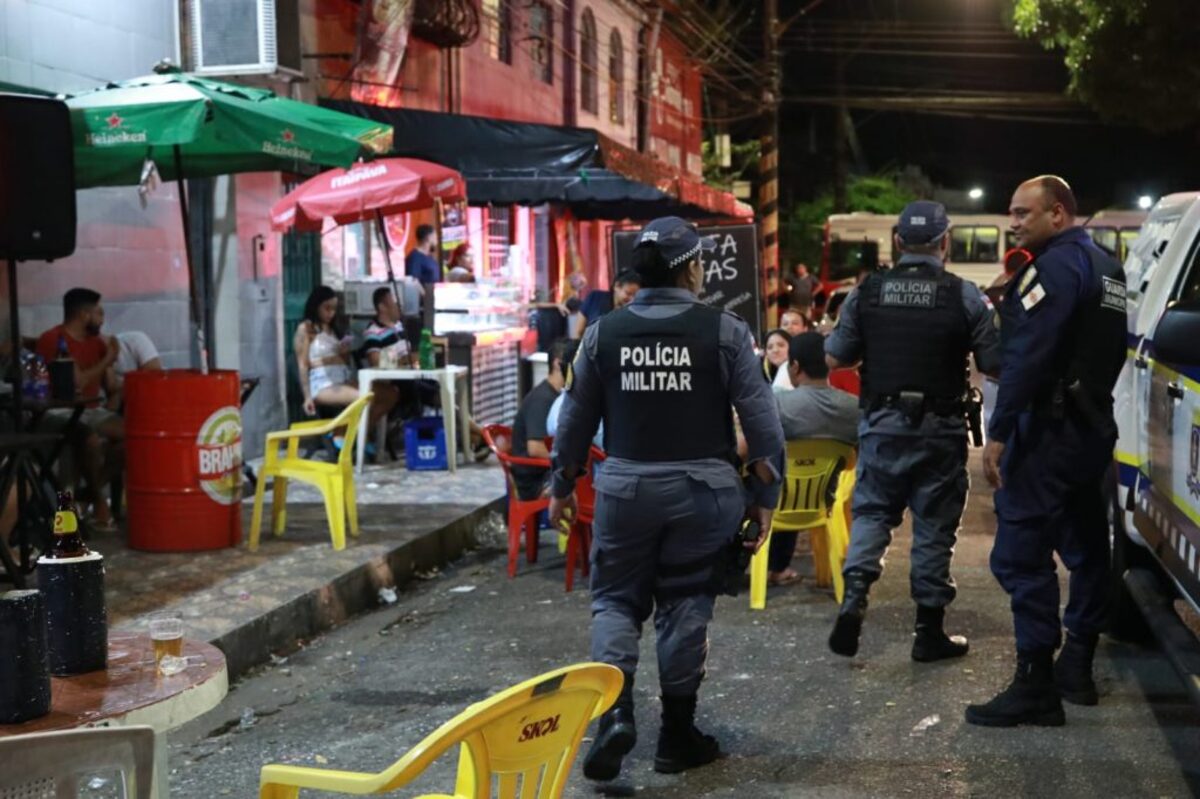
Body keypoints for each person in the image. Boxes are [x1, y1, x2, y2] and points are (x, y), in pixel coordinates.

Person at [548, 216, 784, 780]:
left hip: (624, 491)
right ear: (693, 269)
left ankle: (614, 716)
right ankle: (677, 736)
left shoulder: (602, 334)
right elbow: (763, 424)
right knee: (685, 603)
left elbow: (574, 423)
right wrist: (765, 494)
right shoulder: (725, 332)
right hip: (703, 495)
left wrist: (561, 486)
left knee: (615, 602)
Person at [966, 176, 1127, 728]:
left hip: (1048, 432)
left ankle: (1035, 684)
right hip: (1090, 428)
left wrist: (1000, 430)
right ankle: (1076, 664)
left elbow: (1029, 356)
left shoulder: (1052, 269)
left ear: (1057, 213)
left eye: (1022, 213)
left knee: (1019, 554)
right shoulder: (1108, 267)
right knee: (1087, 546)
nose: (1013, 223)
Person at [824, 200, 1001, 663]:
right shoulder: (964, 295)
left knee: (872, 514)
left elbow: (835, 357)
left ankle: (854, 597)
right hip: (940, 431)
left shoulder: (866, 293)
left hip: (882, 427)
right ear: (946, 243)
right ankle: (928, 632)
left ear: (898, 241)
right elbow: (994, 363)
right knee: (934, 528)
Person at [769, 332, 861, 585]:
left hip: (776, 504)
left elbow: (749, 448)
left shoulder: (776, 404)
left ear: (795, 366)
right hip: (825, 501)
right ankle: (779, 568)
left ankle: (747, 565)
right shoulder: (853, 407)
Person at [35, 288, 124, 531]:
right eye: (99, 313)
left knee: (134, 437)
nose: (102, 319)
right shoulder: (54, 339)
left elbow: (110, 385)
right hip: (61, 411)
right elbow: (78, 382)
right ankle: (99, 501)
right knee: (90, 440)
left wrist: (124, 376)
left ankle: (86, 495)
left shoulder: (97, 342)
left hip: (93, 409)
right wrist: (108, 358)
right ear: (84, 315)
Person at [293, 285, 394, 432]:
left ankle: (358, 433)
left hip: (343, 378)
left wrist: (343, 353)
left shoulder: (333, 329)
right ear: (316, 306)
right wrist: (307, 396)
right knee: (364, 398)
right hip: (322, 384)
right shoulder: (307, 328)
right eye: (327, 308)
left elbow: (345, 362)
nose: (331, 313)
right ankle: (343, 433)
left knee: (390, 393)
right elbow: (302, 364)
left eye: (334, 309)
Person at [509, 338, 572, 500]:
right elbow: (535, 448)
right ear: (558, 364)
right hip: (535, 481)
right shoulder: (542, 400)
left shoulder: (557, 396)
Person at [104, 330, 163, 412]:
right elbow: (111, 386)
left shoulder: (135, 340)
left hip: (152, 405)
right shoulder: (95, 363)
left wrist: (119, 393)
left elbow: (154, 377)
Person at [576, 269, 641, 337]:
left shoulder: (634, 310)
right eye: (628, 293)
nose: (632, 299)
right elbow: (579, 332)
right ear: (617, 286)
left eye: (635, 295)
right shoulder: (595, 298)